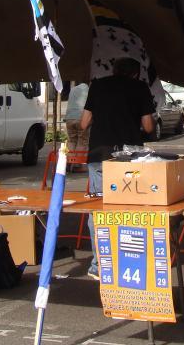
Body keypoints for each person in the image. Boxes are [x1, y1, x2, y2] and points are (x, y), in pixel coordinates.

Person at [79, 57, 156, 279]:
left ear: (113, 70)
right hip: (129, 155)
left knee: (100, 208)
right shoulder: (140, 87)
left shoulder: (98, 85)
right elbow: (149, 126)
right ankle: (129, 260)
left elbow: (84, 123)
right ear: (135, 73)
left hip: (99, 153)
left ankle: (98, 265)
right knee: (131, 205)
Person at [63, 81, 90, 171]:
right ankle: (77, 165)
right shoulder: (88, 90)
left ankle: (69, 161)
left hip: (69, 118)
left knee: (72, 141)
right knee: (82, 141)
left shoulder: (73, 90)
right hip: (81, 117)